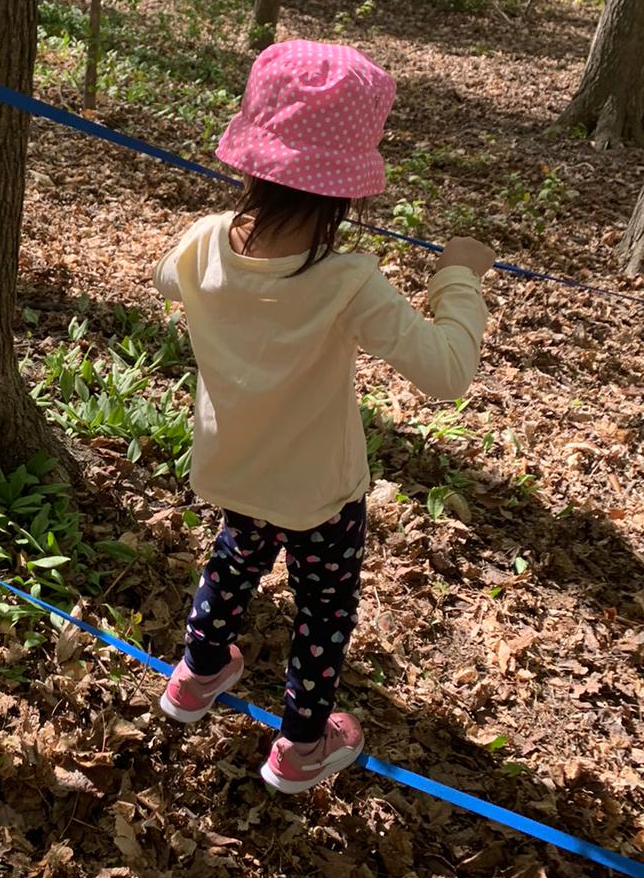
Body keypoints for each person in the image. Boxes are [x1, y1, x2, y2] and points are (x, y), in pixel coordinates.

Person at [153, 39, 493, 793]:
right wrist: (458, 277)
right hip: (318, 494)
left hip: (234, 467)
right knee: (323, 610)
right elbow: (447, 371)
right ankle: (302, 747)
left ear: (251, 158)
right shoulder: (347, 280)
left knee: (233, 562)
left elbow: (164, 282)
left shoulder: (204, 240)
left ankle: (196, 675)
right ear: (348, 188)